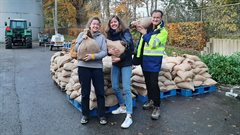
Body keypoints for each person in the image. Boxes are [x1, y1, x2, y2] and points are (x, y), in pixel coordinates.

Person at [135, 10, 168, 120]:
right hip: (145, 61)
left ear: (161, 18)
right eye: (153, 17)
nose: (155, 19)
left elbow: (153, 44)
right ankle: (150, 100)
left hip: (154, 62)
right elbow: (141, 44)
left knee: (154, 84)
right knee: (148, 82)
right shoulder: (148, 28)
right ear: (151, 17)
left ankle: (157, 107)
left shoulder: (163, 32)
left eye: (157, 18)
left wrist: (144, 33)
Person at [75, 17, 107, 125]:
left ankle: (101, 115)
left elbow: (104, 52)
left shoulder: (101, 37)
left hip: (97, 67)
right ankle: (85, 115)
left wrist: (93, 56)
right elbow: (76, 49)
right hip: (83, 67)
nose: (95, 26)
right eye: (94, 24)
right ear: (90, 25)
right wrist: (81, 39)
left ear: (99, 26)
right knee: (85, 92)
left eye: (97, 24)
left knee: (100, 92)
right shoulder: (81, 34)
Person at [105, 15, 134, 128]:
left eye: (115, 22)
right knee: (115, 86)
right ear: (109, 24)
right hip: (115, 63)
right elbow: (108, 50)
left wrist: (120, 58)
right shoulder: (109, 35)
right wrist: (109, 52)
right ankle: (122, 106)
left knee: (126, 88)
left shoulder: (125, 32)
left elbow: (130, 47)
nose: (113, 24)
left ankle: (129, 116)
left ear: (119, 22)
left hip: (126, 62)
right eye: (111, 22)